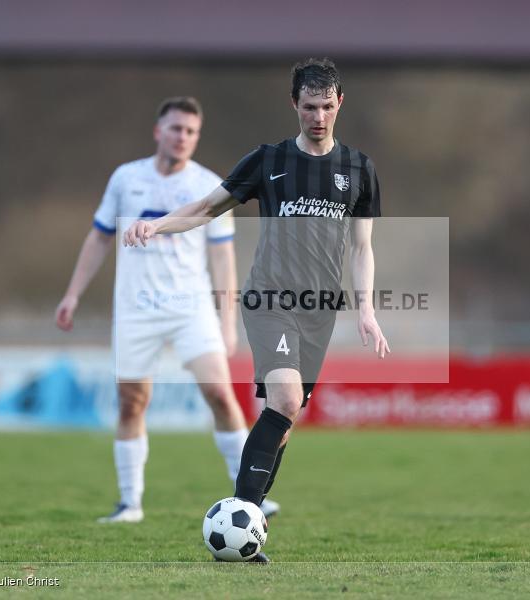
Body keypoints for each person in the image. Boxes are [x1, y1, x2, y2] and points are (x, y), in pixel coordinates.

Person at [123, 59, 389, 561]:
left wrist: (366, 311)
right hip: (270, 299)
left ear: (339, 105)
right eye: (309, 107)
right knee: (285, 400)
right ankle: (244, 514)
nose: (318, 116)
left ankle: (247, 525)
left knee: (283, 418)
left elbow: (362, 248)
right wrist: (156, 225)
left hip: (319, 311)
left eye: (327, 106)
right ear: (294, 105)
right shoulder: (268, 161)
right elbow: (206, 208)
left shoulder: (359, 170)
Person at [55, 96, 280, 524]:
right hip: (136, 310)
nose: (183, 137)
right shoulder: (126, 179)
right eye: (176, 129)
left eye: (191, 131)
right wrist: (73, 294)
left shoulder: (211, 184)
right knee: (132, 402)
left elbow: (222, 258)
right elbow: (100, 236)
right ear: (159, 132)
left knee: (220, 394)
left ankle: (251, 495)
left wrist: (227, 320)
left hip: (191, 309)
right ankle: (130, 503)